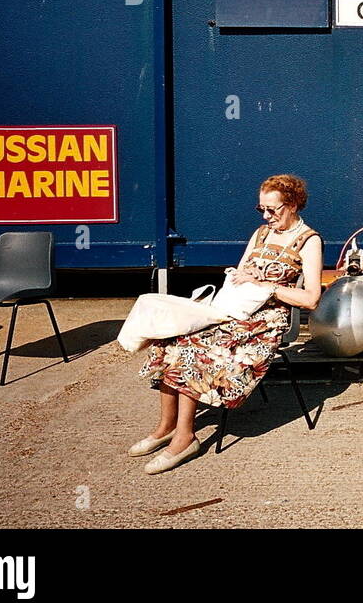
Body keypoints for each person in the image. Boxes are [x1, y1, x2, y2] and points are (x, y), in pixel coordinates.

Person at [129, 173, 323, 474]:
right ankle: (166, 427)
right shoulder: (260, 234)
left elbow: (311, 298)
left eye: (274, 209)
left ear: (294, 204)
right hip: (235, 311)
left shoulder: (308, 241)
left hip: (265, 323)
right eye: (262, 210)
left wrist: (268, 287)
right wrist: (238, 278)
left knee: (196, 346)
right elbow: (242, 273)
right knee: (169, 338)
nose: (268, 216)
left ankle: (185, 437)